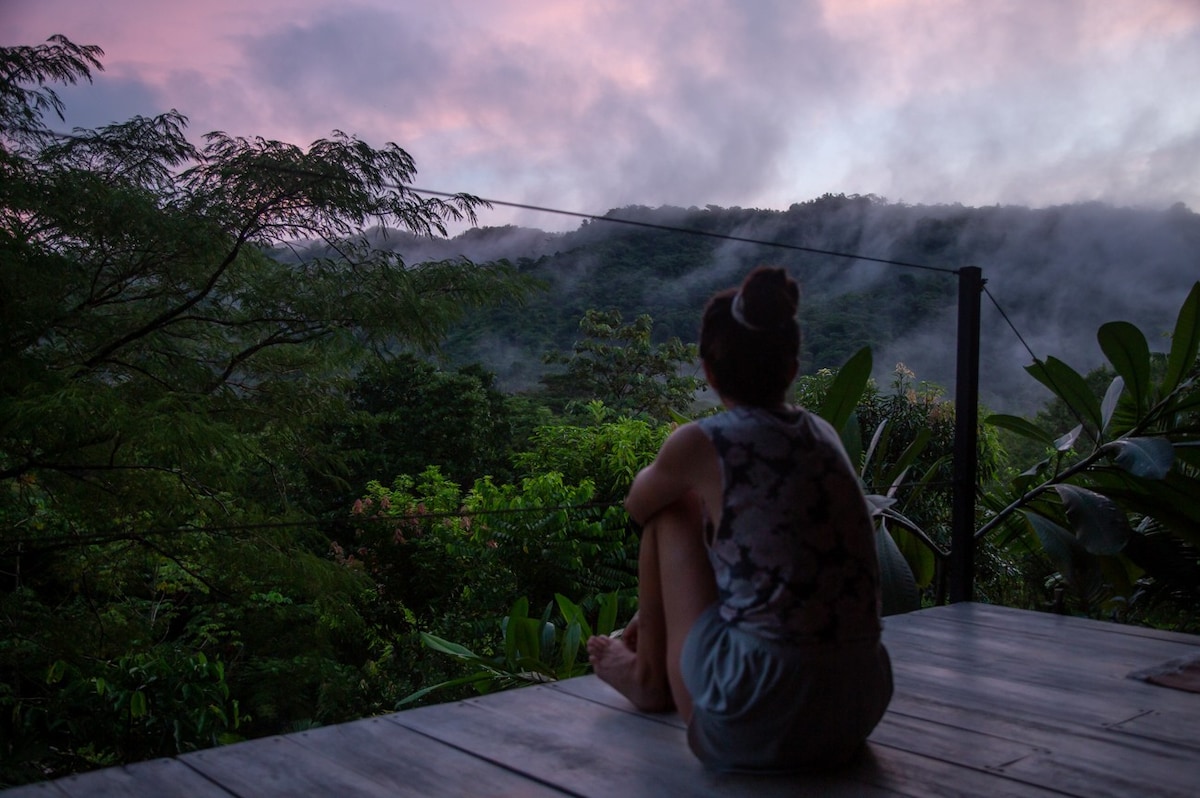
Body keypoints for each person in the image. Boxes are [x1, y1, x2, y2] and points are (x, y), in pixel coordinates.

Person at [586, 266, 893, 772]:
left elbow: (639, 505)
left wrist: (681, 470)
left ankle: (648, 676)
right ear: (793, 367)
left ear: (708, 371)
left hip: (757, 710)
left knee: (673, 508)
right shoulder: (824, 434)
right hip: (859, 701)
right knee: (729, 512)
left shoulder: (700, 442)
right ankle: (657, 655)